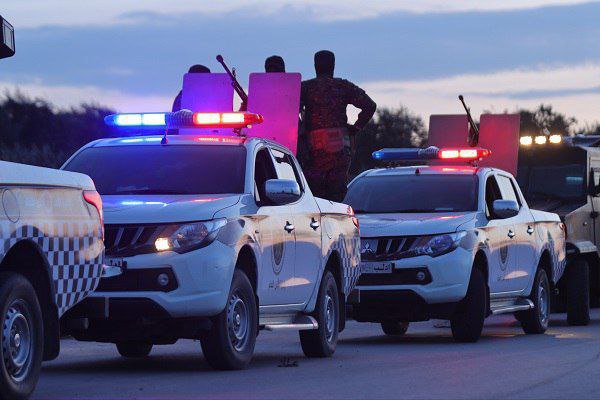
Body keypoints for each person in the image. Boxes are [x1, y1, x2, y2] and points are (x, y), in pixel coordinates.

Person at [300, 50, 376, 201]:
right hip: (339, 153)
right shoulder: (343, 86)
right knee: (337, 198)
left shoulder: (306, 88)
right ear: (333, 65)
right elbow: (370, 105)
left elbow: (287, 108)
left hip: (313, 154)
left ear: (315, 66)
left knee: (314, 197)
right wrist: (355, 128)